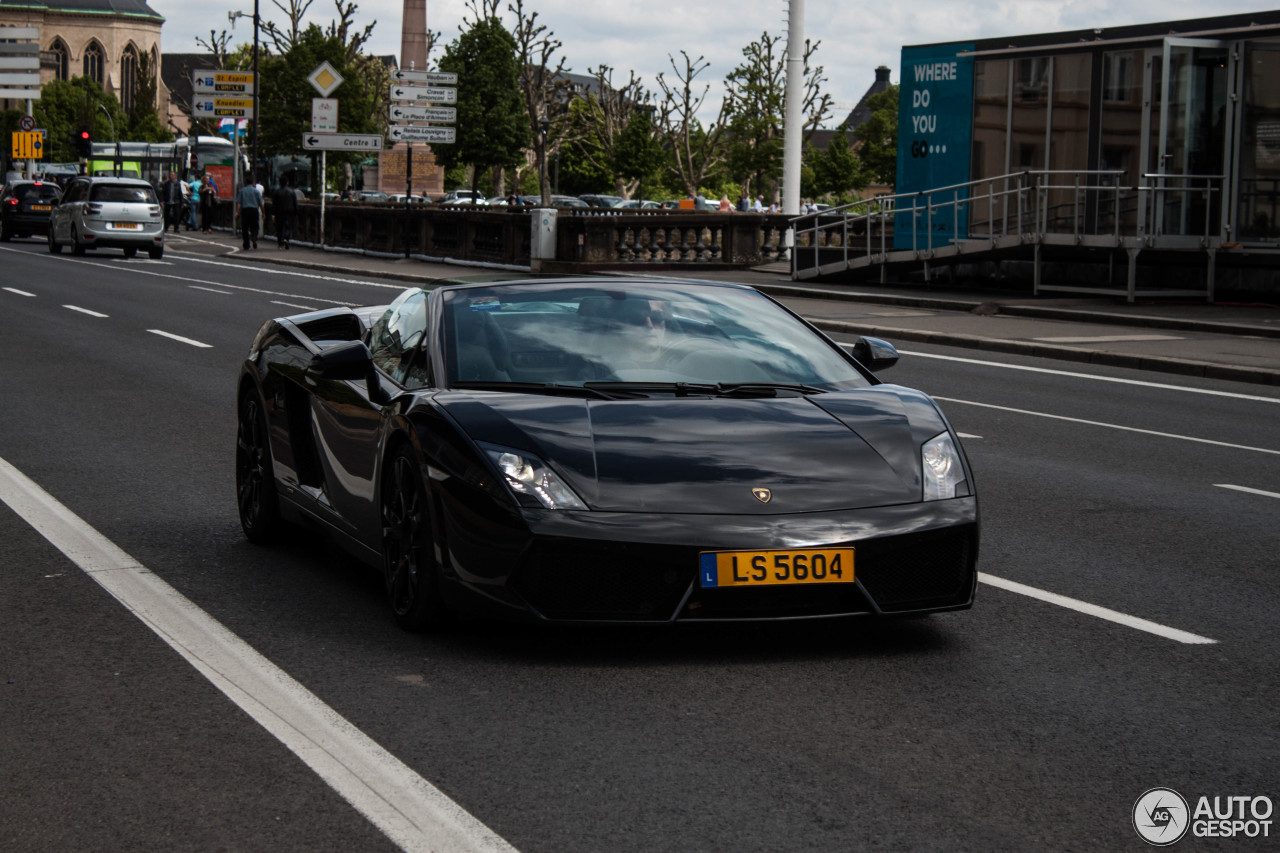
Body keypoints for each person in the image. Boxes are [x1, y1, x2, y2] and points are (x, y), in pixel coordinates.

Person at [235, 174, 263, 250]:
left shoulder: (242, 191)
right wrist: (263, 212)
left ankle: (246, 243)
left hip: (245, 210)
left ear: (245, 182)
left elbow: (239, 203)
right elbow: (261, 203)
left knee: (245, 228)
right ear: (253, 182)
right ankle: (254, 237)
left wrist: (237, 212)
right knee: (255, 226)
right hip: (254, 210)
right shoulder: (256, 191)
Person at [272, 176, 298, 249]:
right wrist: (296, 213)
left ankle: (280, 243)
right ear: (287, 183)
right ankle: (286, 238)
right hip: (289, 212)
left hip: (279, 212)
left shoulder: (276, 192)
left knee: (279, 228)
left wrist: (273, 214)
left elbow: (274, 204)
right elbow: (295, 203)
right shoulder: (291, 192)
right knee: (288, 227)